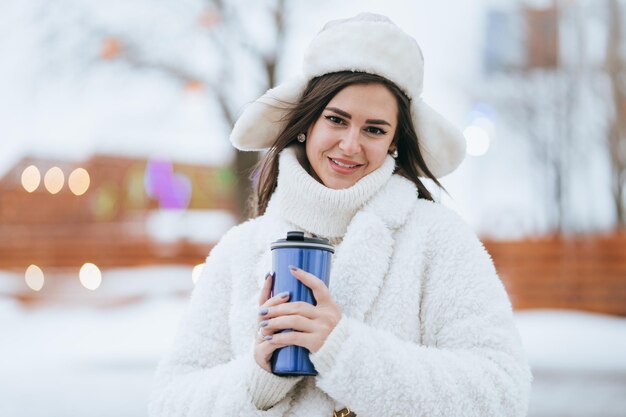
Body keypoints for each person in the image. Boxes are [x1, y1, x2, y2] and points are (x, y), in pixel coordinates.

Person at [148, 12, 532, 417]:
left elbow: (502, 393)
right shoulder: (239, 251)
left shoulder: (438, 240)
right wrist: (258, 377)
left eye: (375, 129)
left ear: (395, 142)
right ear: (306, 123)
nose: (350, 145)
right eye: (336, 119)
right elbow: (170, 402)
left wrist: (344, 350)